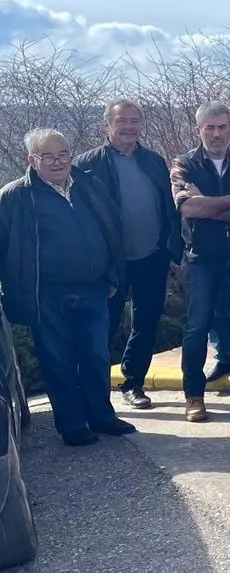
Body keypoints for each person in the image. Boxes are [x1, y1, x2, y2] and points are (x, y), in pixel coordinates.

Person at [0, 129, 134, 446]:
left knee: (96, 356)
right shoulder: (15, 196)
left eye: (63, 154)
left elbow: (112, 229)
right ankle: (72, 426)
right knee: (57, 360)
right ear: (31, 160)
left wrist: (113, 277)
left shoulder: (88, 185)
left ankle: (101, 416)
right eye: (49, 156)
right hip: (46, 294)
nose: (59, 162)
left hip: (94, 289)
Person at [74, 99, 183, 412]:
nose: (129, 126)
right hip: (110, 262)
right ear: (107, 126)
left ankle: (133, 383)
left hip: (151, 256)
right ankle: (92, 389)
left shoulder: (153, 160)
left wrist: (170, 244)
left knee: (146, 321)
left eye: (135, 120)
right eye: (122, 120)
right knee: (102, 325)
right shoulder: (86, 164)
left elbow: (167, 204)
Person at [173, 103, 230, 422]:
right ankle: (194, 396)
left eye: (223, 127)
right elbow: (188, 209)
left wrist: (209, 204)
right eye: (210, 127)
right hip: (202, 258)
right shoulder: (184, 164)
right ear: (199, 130)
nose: (217, 133)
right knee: (197, 326)